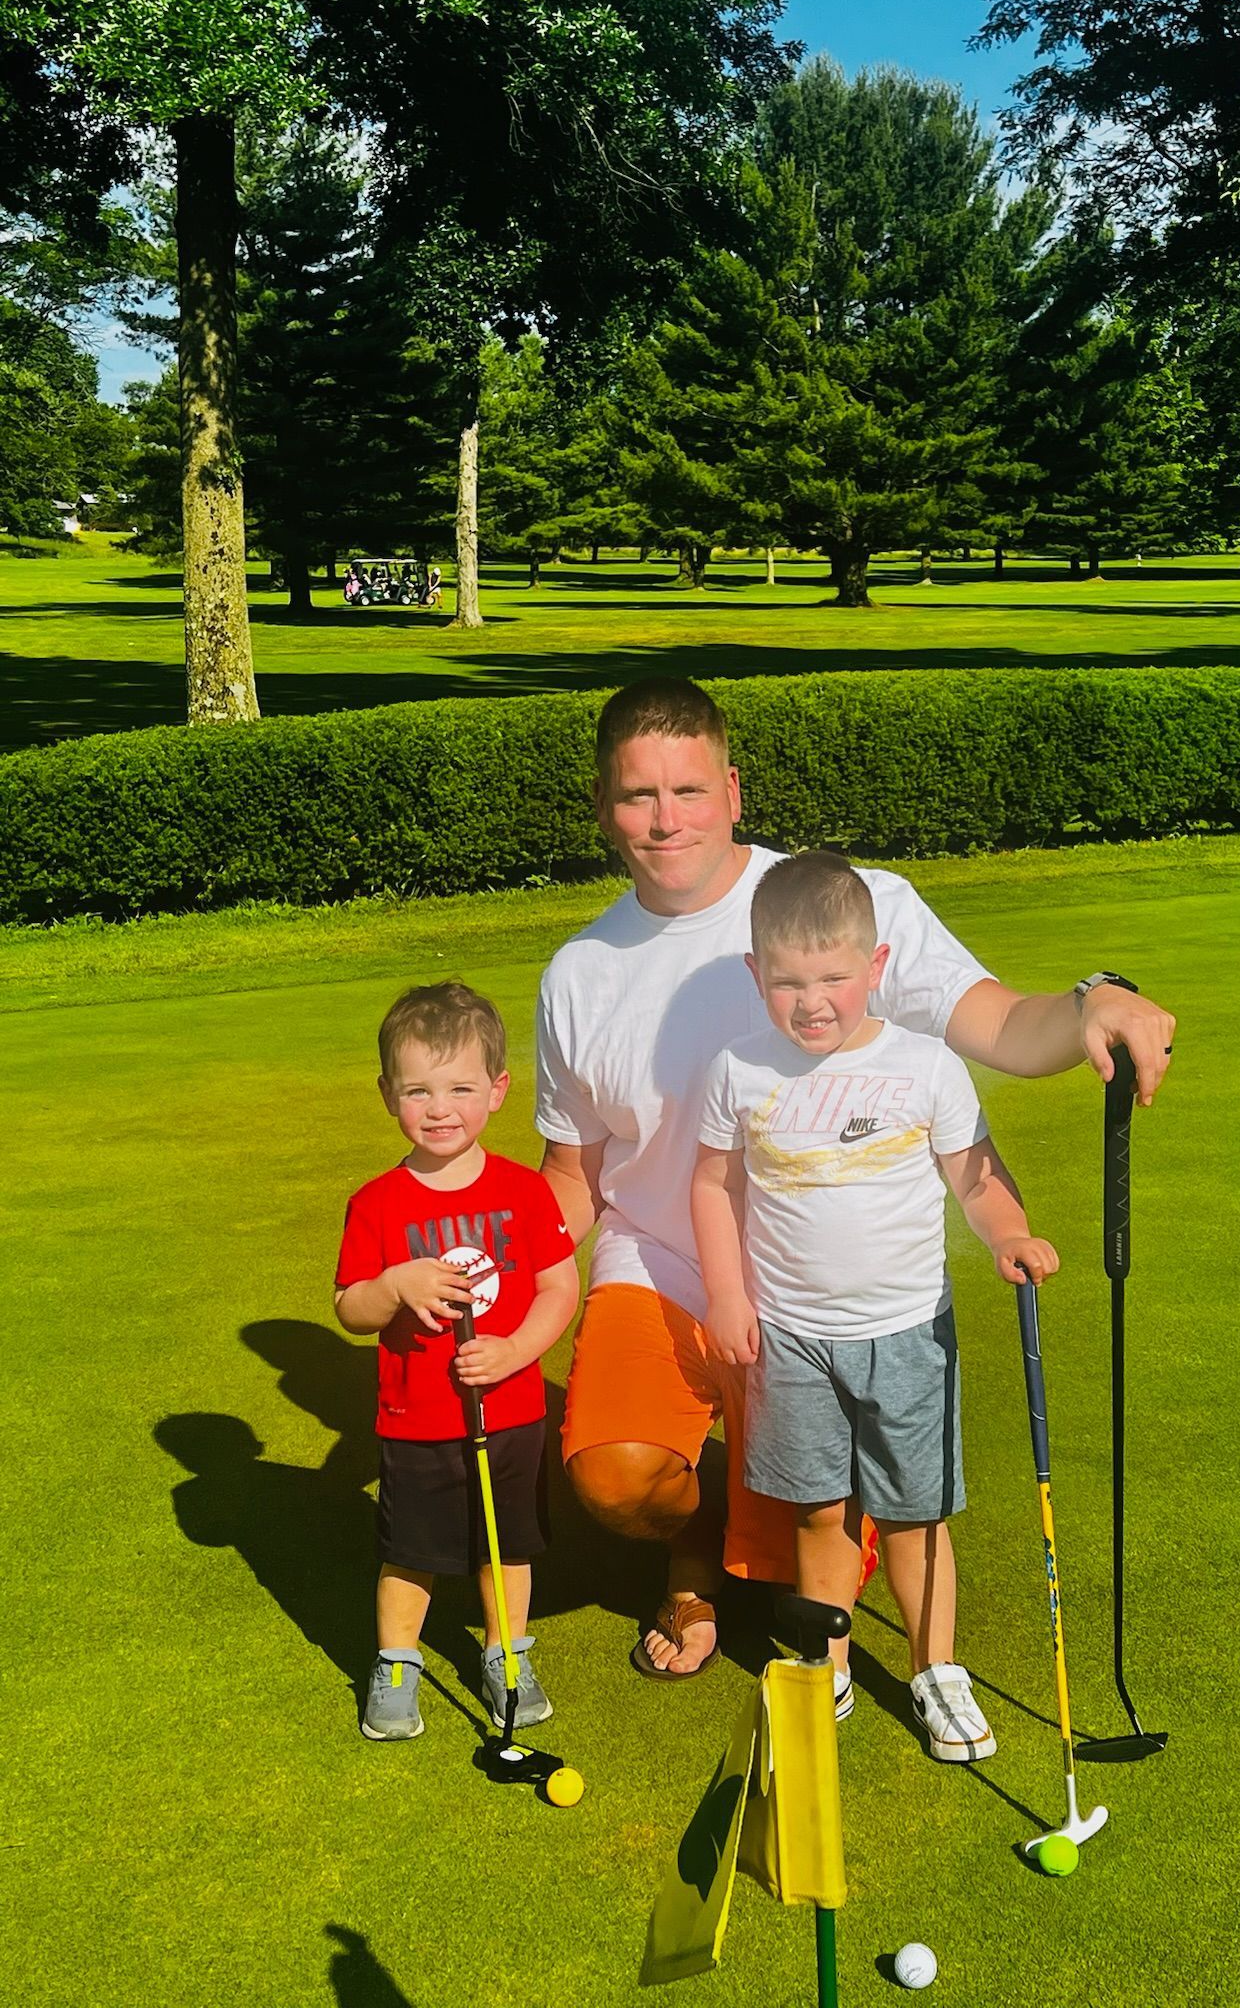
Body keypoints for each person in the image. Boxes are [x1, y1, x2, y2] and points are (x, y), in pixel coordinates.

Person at [536, 678, 1175, 1681]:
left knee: (817, 1541)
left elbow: (1002, 1022)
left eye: (690, 790)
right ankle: (694, 1551)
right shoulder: (577, 971)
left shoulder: (844, 905)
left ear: (734, 790)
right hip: (660, 1261)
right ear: (602, 805)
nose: (666, 820)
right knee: (616, 1476)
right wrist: (495, 1259)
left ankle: (781, 1525)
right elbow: (573, 1170)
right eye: (637, 795)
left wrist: (1097, 1000)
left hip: (815, 1294)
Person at [692, 852, 1057, 1760]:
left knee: (914, 1513)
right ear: (756, 976)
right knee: (818, 1511)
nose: (812, 1000)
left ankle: (935, 1671)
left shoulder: (926, 1067)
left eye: (834, 978)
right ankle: (831, 1659)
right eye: (787, 981)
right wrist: (728, 1293)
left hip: (907, 1333)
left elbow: (974, 1178)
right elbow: (711, 1186)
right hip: (792, 1336)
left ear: (876, 969)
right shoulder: (737, 1070)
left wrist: (1008, 1234)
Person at [336, 981, 579, 1741]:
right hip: (417, 1420)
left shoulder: (525, 1192)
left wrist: (515, 1351)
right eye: (418, 1090)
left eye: (460, 1088)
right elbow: (349, 1309)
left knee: (504, 1547)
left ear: (498, 1090)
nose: (440, 1108)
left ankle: (507, 1654)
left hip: (511, 1414)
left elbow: (557, 1289)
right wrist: (392, 1287)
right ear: (387, 1096)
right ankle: (397, 1662)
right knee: (413, 1553)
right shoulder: (377, 1203)